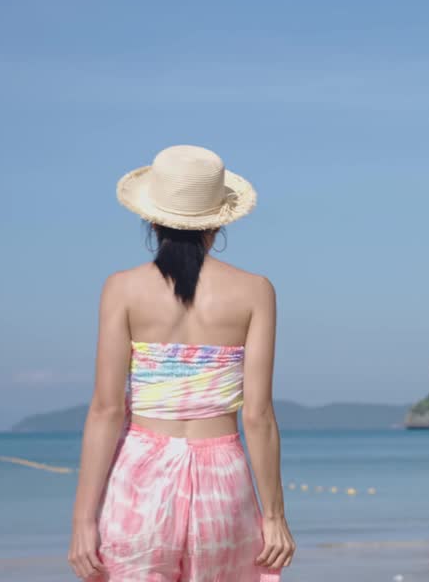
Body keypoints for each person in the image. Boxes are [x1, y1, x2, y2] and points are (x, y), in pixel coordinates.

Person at [68, 145, 295, 581]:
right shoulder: (255, 291)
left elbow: (107, 410)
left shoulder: (122, 289)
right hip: (223, 479)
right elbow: (258, 415)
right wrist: (274, 516)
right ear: (219, 221)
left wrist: (83, 521)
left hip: (140, 479)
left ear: (151, 218)